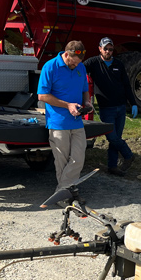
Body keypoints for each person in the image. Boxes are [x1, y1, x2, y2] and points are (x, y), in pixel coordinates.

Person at [38, 40, 93, 195]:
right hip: (58, 122)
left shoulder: (80, 67)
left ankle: (62, 191)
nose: (75, 65)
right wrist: (68, 105)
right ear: (66, 54)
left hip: (77, 122)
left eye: (78, 63)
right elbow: (42, 96)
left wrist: (87, 102)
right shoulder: (50, 67)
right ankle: (66, 192)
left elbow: (84, 90)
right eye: (73, 62)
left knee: (78, 158)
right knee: (61, 161)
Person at [84, 37, 139, 176]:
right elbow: (78, 69)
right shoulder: (93, 63)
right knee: (112, 137)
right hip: (106, 108)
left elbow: (126, 85)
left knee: (116, 137)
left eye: (110, 49)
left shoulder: (119, 64)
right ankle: (128, 155)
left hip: (120, 107)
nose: (108, 51)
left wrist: (133, 103)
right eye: (105, 49)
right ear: (100, 49)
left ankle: (112, 166)